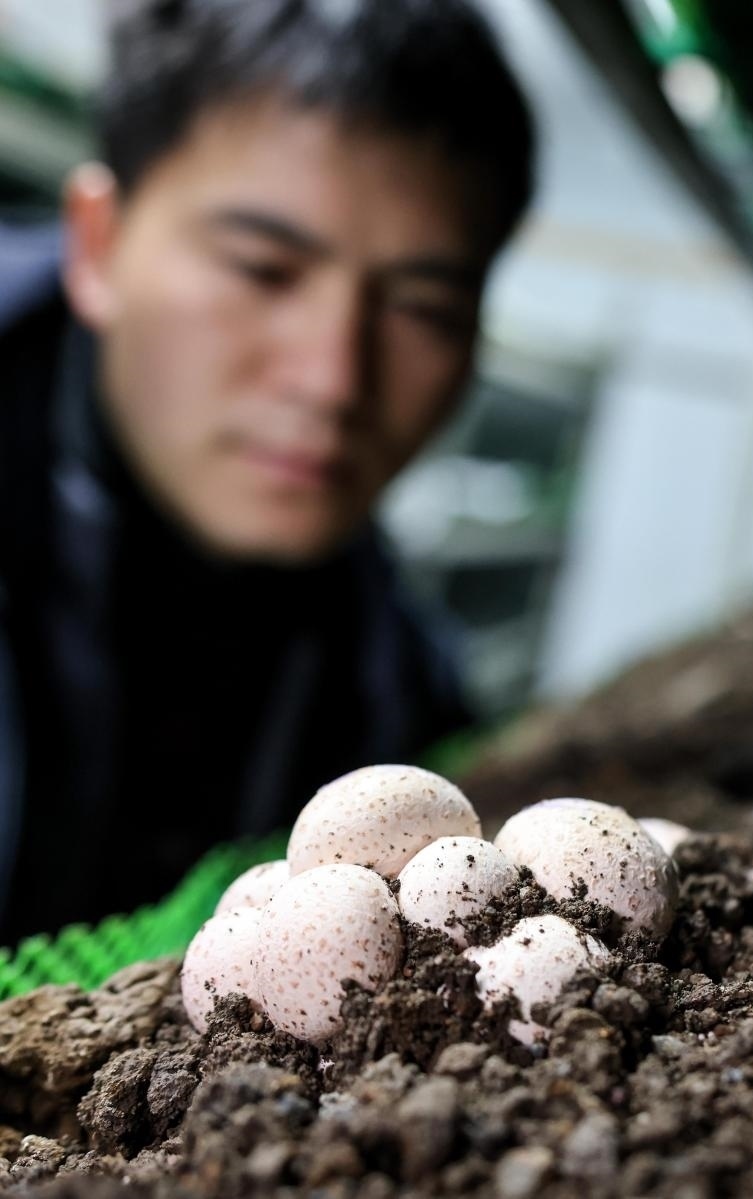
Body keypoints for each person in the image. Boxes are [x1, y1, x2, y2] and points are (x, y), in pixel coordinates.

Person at [0, 0, 534, 944]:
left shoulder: (398, 688)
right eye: (261, 268)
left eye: (421, 307)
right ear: (100, 242)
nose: (333, 379)